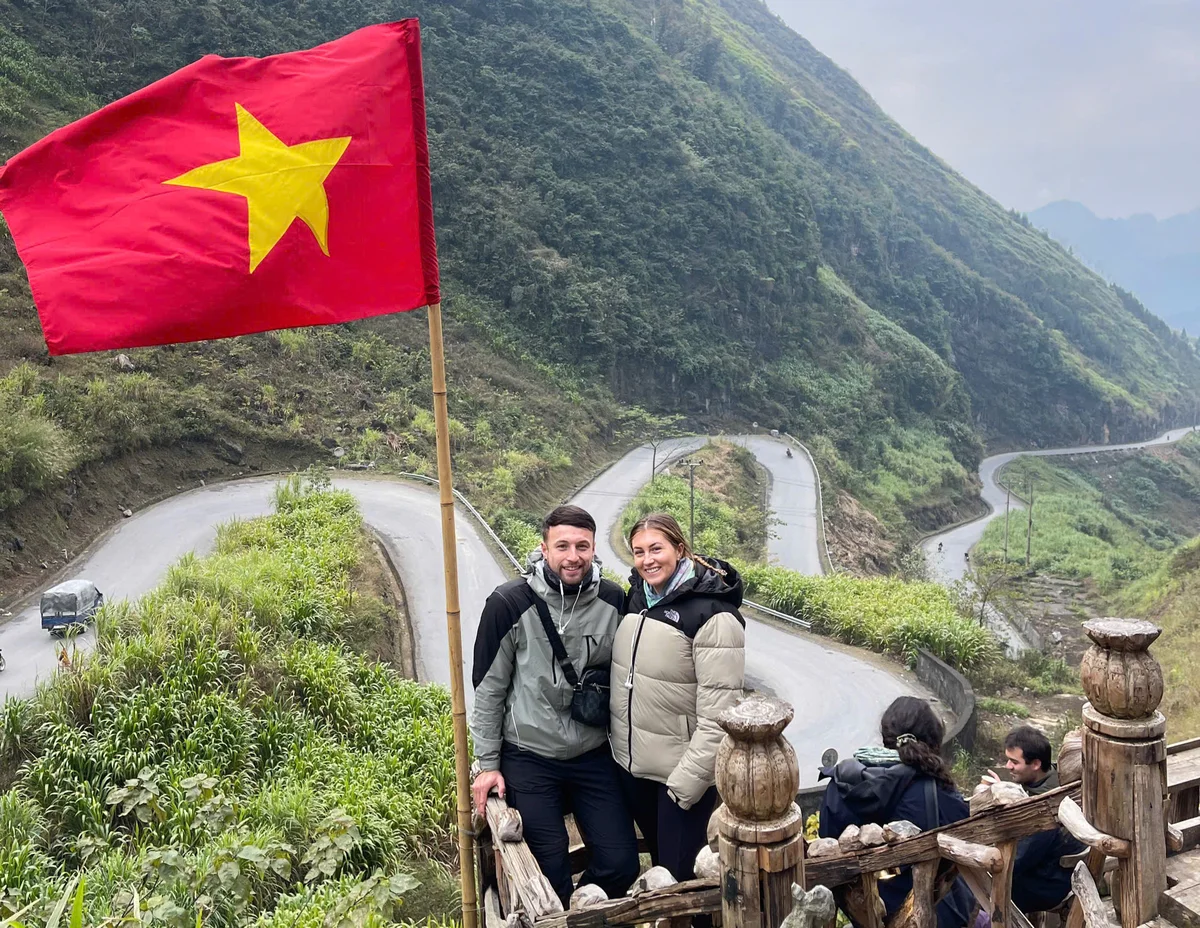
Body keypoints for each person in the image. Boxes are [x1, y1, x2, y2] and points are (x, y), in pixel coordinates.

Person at [469, 505, 639, 905]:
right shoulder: (509, 604)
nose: (572, 556)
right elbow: (489, 690)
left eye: (582, 546)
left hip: (592, 753)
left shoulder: (613, 600)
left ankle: (582, 910)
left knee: (621, 862)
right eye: (562, 545)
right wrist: (488, 764)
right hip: (530, 755)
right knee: (548, 871)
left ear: (594, 549)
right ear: (543, 548)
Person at [610, 513, 746, 886]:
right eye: (638, 551)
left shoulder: (713, 615)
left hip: (681, 782)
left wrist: (684, 787)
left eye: (657, 548)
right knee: (659, 878)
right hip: (636, 772)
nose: (647, 559)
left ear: (680, 549)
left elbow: (722, 715)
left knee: (685, 885)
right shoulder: (637, 598)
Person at [819, 696, 974, 928]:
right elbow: (963, 841)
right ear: (933, 740)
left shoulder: (842, 783)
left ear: (886, 736)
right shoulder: (937, 789)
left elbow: (826, 845)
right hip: (927, 912)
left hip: (865, 913)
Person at [982, 726, 1083, 914]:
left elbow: (1016, 860)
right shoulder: (1052, 777)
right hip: (1048, 867)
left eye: (1014, 762)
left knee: (972, 889)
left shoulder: (1045, 806)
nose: (1007, 766)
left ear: (1035, 764)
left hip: (1046, 884)